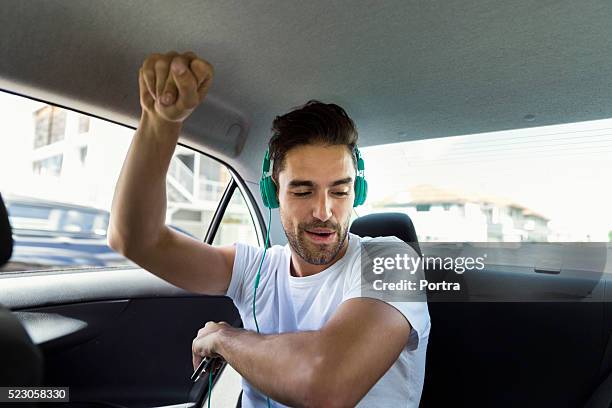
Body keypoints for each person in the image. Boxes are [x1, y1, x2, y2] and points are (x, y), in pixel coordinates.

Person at [108, 51, 430, 407]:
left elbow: (325, 384)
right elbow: (137, 240)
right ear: (272, 193)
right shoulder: (256, 269)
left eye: (340, 191)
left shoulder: (391, 262)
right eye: (303, 190)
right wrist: (160, 121)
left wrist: (225, 339)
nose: (324, 211)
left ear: (358, 192)